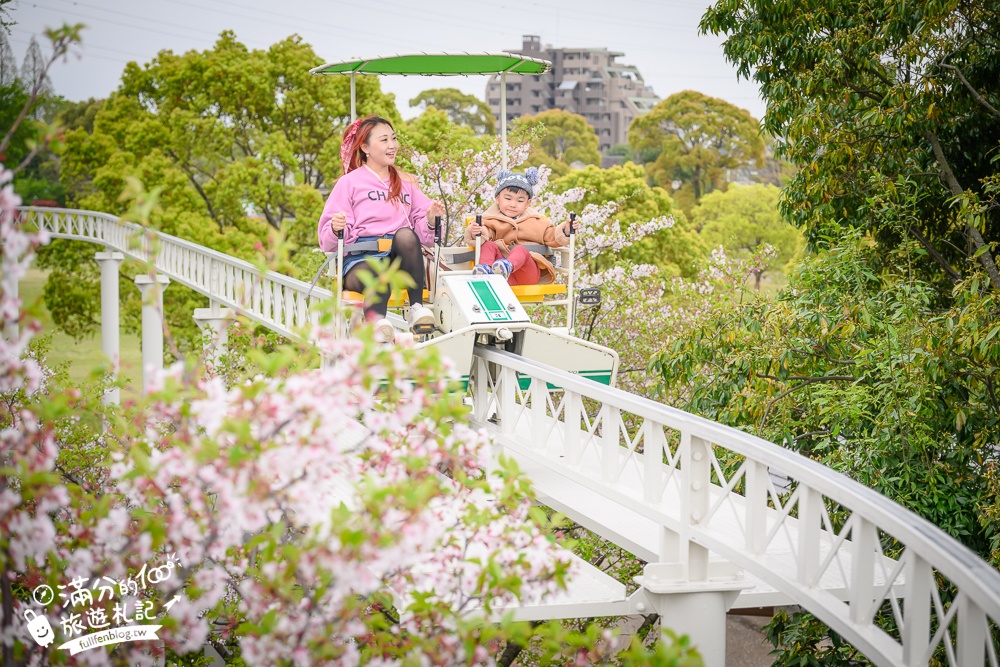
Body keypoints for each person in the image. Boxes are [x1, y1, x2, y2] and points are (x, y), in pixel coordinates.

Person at [317, 115, 444, 342]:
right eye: (384, 140)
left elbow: (423, 234)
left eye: (393, 139)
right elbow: (327, 238)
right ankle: (377, 325)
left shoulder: (405, 185)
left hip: (397, 261)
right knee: (376, 272)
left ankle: (416, 308)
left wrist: (432, 218)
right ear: (365, 147)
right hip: (361, 261)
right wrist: (338, 227)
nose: (392, 145)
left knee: (406, 235)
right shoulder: (349, 183)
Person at [464, 168, 572, 286]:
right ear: (498, 199)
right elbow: (486, 232)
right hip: (499, 276)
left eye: (520, 201)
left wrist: (566, 230)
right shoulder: (491, 219)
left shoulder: (537, 221)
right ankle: (484, 270)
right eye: (508, 198)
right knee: (488, 244)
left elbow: (552, 236)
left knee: (520, 249)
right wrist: (476, 231)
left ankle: (507, 266)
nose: (513, 204)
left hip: (526, 274)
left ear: (528, 203)